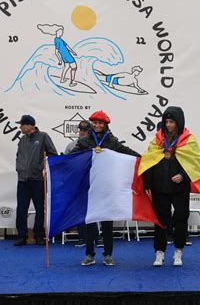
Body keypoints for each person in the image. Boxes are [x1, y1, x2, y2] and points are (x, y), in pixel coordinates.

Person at [140, 106, 200, 267]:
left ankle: (178, 252)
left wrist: (184, 176)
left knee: (181, 219)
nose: (169, 125)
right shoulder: (157, 139)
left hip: (180, 189)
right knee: (160, 221)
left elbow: (195, 164)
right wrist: (147, 184)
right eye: (166, 122)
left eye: (171, 122)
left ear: (179, 122)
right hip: (160, 188)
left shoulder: (188, 140)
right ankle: (160, 253)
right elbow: (149, 162)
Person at [71, 110, 140, 266]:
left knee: (107, 223)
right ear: (91, 124)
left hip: (108, 187)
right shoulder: (84, 141)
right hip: (90, 186)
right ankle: (89, 254)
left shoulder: (112, 141)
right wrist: (55, 163)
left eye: (100, 123)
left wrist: (141, 158)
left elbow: (126, 152)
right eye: (94, 123)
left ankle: (108, 254)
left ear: (105, 125)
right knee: (89, 221)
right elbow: (73, 158)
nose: (97, 125)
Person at [14, 115, 57, 246]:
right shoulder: (22, 139)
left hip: (38, 180)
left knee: (39, 208)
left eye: (22, 124)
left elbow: (52, 154)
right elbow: (18, 155)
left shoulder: (43, 136)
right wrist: (19, 168)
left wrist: (40, 168)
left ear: (30, 125)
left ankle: (39, 235)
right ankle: (22, 236)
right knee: (21, 208)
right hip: (22, 180)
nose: (20, 127)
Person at [64, 120, 103, 248]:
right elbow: (66, 162)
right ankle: (82, 237)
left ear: (89, 131)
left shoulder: (95, 145)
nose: (82, 132)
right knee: (80, 210)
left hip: (92, 181)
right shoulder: (71, 146)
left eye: (85, 131)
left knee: (92, 210)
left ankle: (97, 238)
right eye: (80, 130)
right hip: (77, 181)